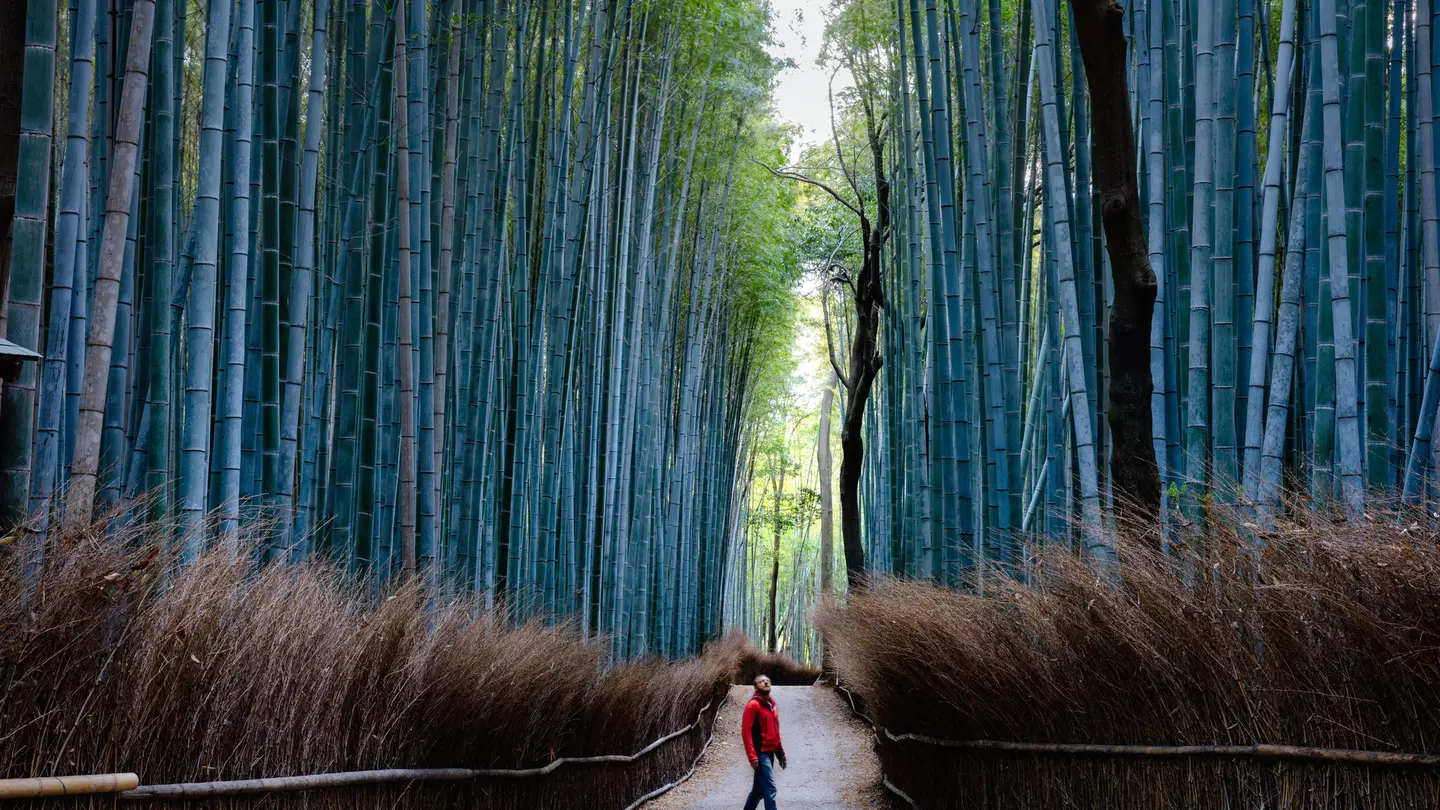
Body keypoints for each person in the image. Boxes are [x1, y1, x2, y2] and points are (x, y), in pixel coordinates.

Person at [741, 674, 786, 810]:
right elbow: (746, 732)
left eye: (767, 680)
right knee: (770, 790)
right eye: (761, 681)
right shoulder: (753, 705)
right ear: (755, 687)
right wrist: (752, 757)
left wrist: (780, 753)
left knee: (758, 791)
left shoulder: (772, 705)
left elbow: (775, 732)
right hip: (760, 754)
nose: (765, 682)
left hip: (770, 753)